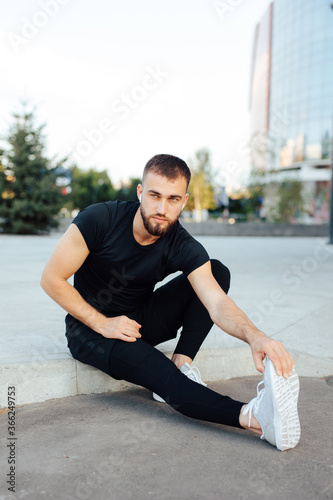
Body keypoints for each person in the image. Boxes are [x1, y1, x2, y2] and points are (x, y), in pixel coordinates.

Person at [41, 154, 300, 451]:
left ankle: (182, 362)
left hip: (138, 320)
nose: (162, 209)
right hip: (91, 332)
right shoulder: (100, 219)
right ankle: (256, 418)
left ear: (185, 200)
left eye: (173, 199)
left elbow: (216, 303)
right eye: (154, 196)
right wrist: (103, 323)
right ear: (140, 192)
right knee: (161, 376)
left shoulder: (181, 243)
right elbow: (51, 278)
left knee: (216, 271)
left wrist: (256, 336)